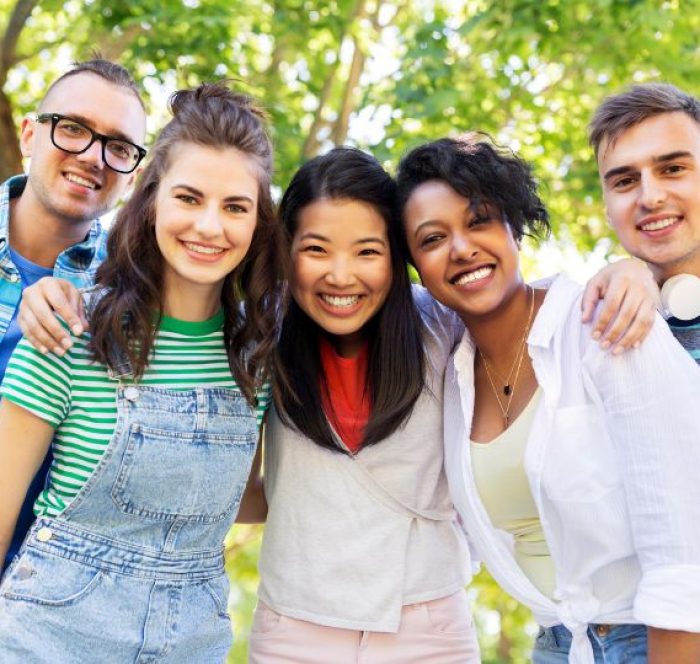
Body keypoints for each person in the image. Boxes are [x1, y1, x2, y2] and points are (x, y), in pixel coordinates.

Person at [0, 82, 286, 662]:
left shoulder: (258, 356)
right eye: (188, 197)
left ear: (259, 223)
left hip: (194, 644)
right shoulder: (68, 329)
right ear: (151, 200)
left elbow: (235, 499)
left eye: (235, 207)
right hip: (45, 643)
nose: (209, 226)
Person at [397, 136, 700, 664]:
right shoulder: (448, 368)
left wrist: (638, 271)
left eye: (479, 220)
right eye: (432, 238)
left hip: (654, 637)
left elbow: (687, 539)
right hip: (559, 645)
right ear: (416, 267)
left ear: (514, 224)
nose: (462, 248)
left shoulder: (606, 325)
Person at [244, 147, 479, 663]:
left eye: (367, 252)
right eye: (317, 249)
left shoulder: (444, 327)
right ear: (287, 251)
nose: (341, 276)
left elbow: (533, 314)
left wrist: (633, 276)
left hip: (429, 626)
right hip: (293, 629)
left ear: (397, 258)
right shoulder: (258, 335)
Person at [0, 58, 147, 572]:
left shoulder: (135, 296)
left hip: (48, 608)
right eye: (74, 129)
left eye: (120, 147)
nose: (93, 156)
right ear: (29, 134)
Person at [590, 82, 700, 363]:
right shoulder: (595, 336)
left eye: (673, 169)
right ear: (607, 210)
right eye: (625, 181)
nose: (650, 198)